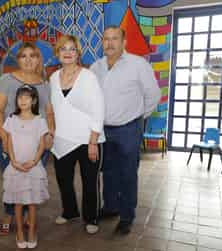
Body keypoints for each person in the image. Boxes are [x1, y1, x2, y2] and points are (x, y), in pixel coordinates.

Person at [90, 26, 161, 234]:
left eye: (114, 39)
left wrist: (138, 117)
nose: (109, 43)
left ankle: (127, 215)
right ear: (102, 42)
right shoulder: (96, 67)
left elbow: (153, 96)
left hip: (129, 129)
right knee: (108, 172)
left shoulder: (138, 65)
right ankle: (110, 207)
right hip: (103, 130)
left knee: (128, 173)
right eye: (106, 39)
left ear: (124, 42)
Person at [0, 42, 54, 235]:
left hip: (37, 143)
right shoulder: (6, 80)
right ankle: (9, 213)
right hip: (11, 141)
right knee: (13, 178)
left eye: (33, 55)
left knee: (31, 178)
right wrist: (3, 136)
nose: (28, 60)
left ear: (38, 60)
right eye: (23, 56)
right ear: (17, 59)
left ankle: (28, 213)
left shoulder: (45, 84)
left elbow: (49, 112)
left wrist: (50, 133)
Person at [49, 35, 105, 234]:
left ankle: (91, 218)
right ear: (57, 53)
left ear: (78, 53)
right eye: (63, 48)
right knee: (64, 180)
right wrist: (51, 129)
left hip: (88, 139)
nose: (67, 52)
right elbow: (52, 109)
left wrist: (93, 142)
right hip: (62, 140)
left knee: (90, 182)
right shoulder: (53, 78)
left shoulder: (88, 76)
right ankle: (70, 211)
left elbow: (99, 109)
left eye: (72, 49)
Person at [2, 85, 49, 249]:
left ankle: (31, 232)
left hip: (33, 167)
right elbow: (8, 142)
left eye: (27, 97)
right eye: (20, 97)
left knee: (32, 203)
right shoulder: (11, 119)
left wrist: (34, 161)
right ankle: (20, 232)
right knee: (18, 203)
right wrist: (13, 161)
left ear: (34, 100)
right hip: (15, 167)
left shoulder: (39, 120)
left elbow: (42, 145)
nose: (23, 100)